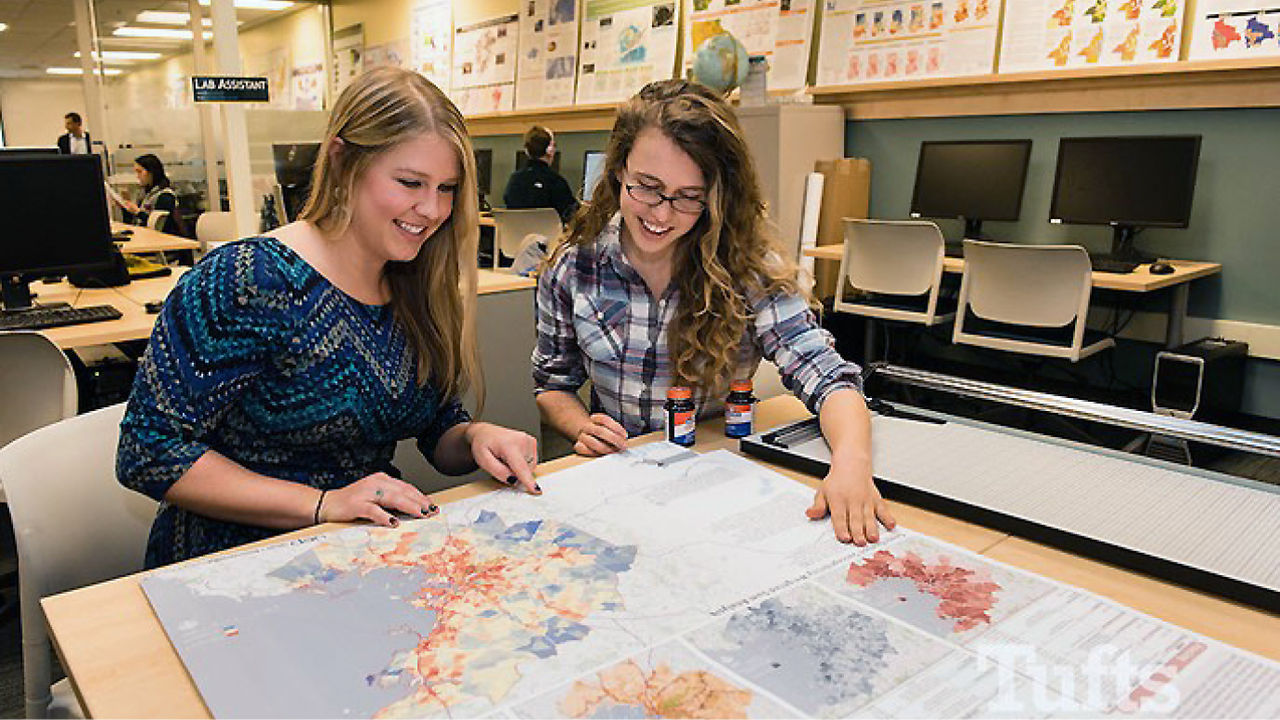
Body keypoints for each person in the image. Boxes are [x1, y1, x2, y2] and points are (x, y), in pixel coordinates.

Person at [118, 66, 540, 568]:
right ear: (342, 161)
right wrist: (321, 504)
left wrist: (474, 438)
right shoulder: (247, 279)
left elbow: (436, 429)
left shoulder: (412, 279)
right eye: (410, 182)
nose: (431, 209)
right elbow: (147, 452)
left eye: (447, 188)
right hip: (236, 558)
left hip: (360, 549)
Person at [531, 80, 894, 546]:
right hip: (620, 486)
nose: (662, 214)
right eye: (648, 187)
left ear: (716, 195)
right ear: (619, 170)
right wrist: (582, 426)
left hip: (717, 482)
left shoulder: (745, 266)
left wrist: (851, 465)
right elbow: (552, 385)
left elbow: (828, 377)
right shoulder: (574, 266)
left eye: (688, 196)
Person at [503, 125, 578, 224]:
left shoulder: (514, 180)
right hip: (549, 239)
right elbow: (572, 215)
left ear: (526, 150)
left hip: (518, 239)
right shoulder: (556, 182)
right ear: (550, 150)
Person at [116, 154, 184, 236]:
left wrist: (137, 212)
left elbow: (158, 225)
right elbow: (136, 222)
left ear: (151, 172)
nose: (137, 176)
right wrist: (125, 208)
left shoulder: (165, 196)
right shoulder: (146, 194)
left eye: (140, 171)